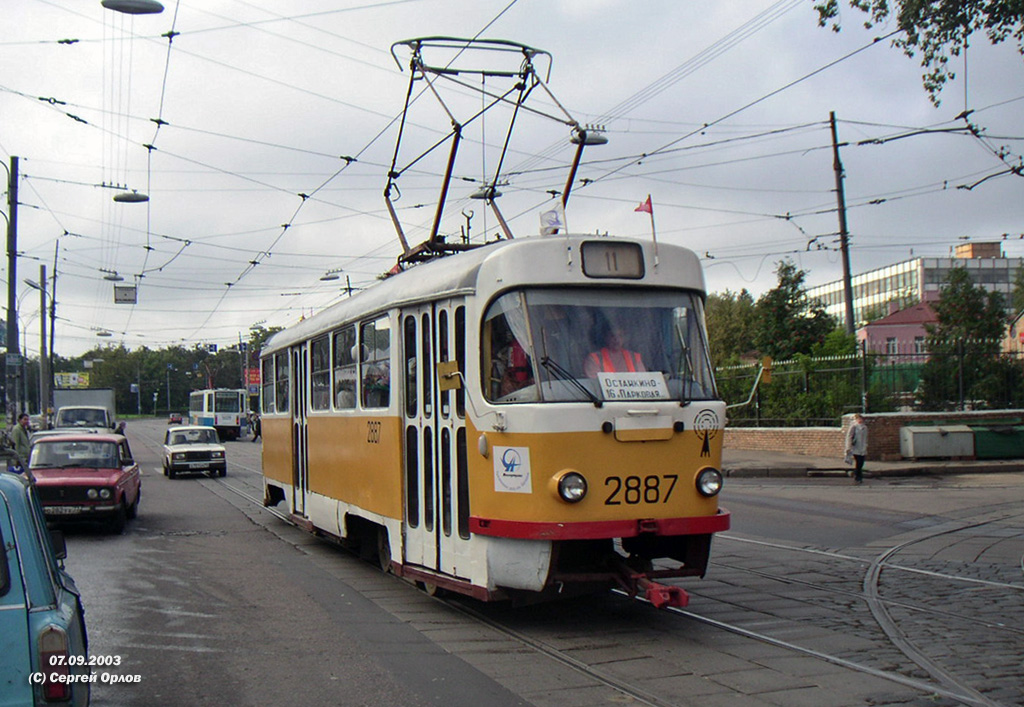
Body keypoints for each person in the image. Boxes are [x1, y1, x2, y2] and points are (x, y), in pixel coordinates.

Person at [845, 413, 868, 484]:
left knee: (861, 463)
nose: (860, 420)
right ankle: (858, 477)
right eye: (858, 419)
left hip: (863, 448)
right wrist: (848, 447)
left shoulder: (865, 427)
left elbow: (866, 438)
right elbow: (849, 437)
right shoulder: (854, 427)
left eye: (861, 419)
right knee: (858, 462)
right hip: (855, 448)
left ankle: (857, 475)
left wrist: (866, 446)